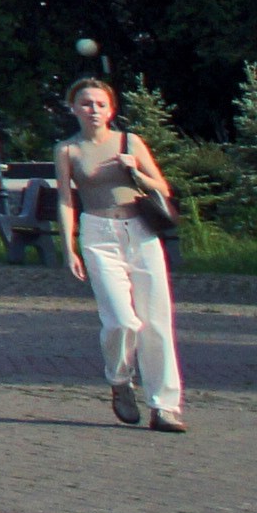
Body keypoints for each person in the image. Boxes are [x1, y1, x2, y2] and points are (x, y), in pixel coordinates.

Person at [56, 76, 189, 433]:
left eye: (100, 104)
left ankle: (164, 407)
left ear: (111, 109)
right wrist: (69, 246)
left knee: (156, 323)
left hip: (141, 233)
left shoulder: (130, 142)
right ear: (73, 109)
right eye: (86, 103)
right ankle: (119, 379)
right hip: (98, 235)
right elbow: (66, 199)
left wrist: (136, 172)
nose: (93, 110)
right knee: (121, 321)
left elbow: (162, 185)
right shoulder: (68, 150)